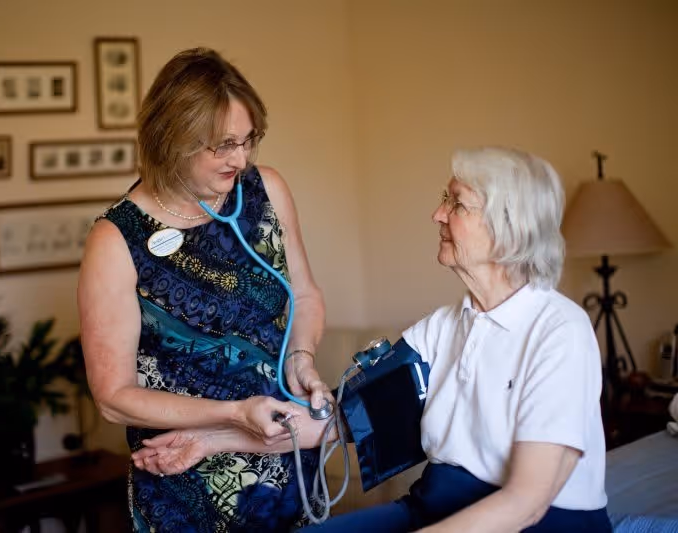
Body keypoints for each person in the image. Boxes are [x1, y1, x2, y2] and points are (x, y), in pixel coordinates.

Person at [137, 147, 613, 532]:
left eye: (456, 203)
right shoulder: (442, 329)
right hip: (434, 508)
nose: (437, 214)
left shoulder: (559, 333)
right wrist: (211, 442)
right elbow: (337, 423)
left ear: (510, 229)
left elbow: (525, 504)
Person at [78, 47, 333, 532]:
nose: (242, 158)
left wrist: (301, 357)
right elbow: (114, 396)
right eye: (223, 145)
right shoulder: (116, 241)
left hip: (286, 449)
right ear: (171, 141)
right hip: (184, 477)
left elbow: (303, 295)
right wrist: (234, 413)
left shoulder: (266, 191)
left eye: (248, 139)